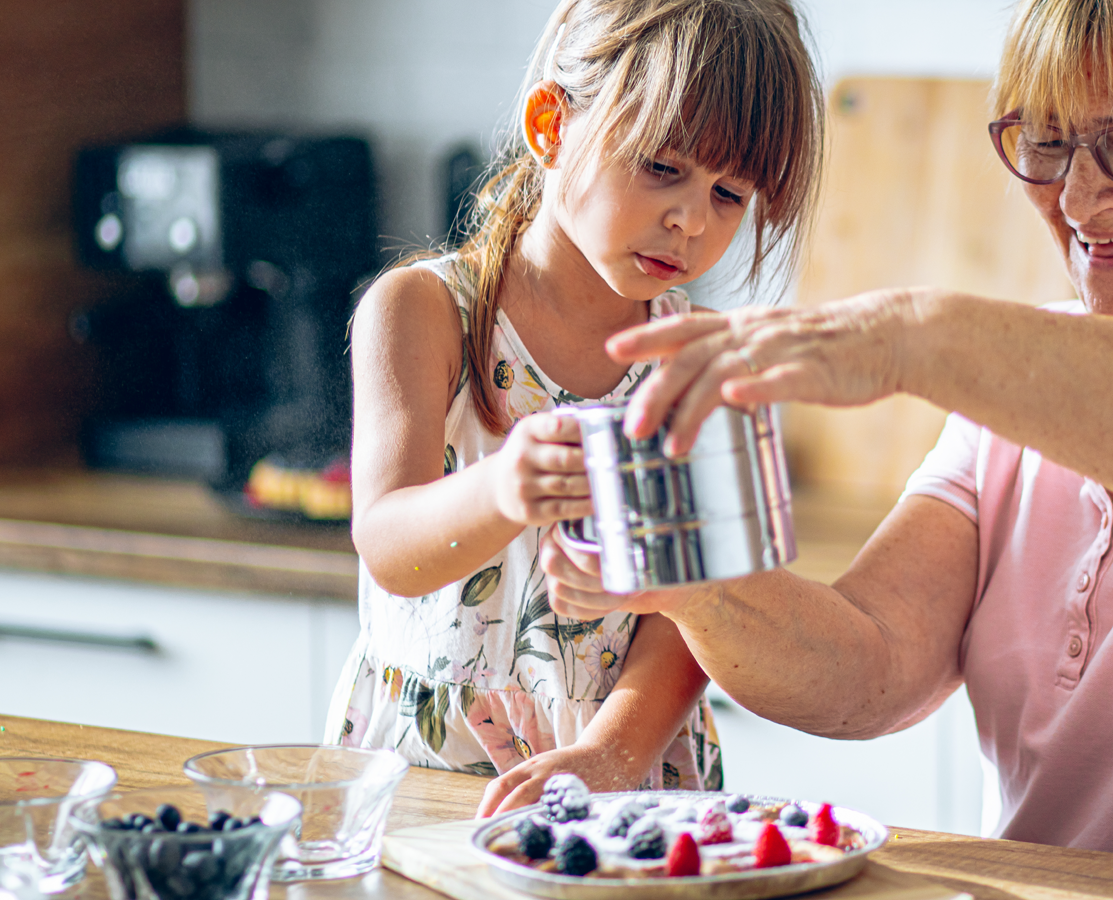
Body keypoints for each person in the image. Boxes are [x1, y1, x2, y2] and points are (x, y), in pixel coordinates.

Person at [538, 0, 1113, 888]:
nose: (1079, 197)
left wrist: (912, 340)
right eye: (1048, 144)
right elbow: (868, 669)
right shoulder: (1012, 392)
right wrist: (698, 590)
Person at [325, 0, 823, 817]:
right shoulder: (422, 312)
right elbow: (386, 545)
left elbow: (696, 613)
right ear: (550, 123)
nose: (691, 220)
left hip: (628, 769)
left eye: (730, 194)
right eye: (662, 167)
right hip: (434, 768)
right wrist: (500, 491)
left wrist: (610, 752)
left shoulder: (702, 354)